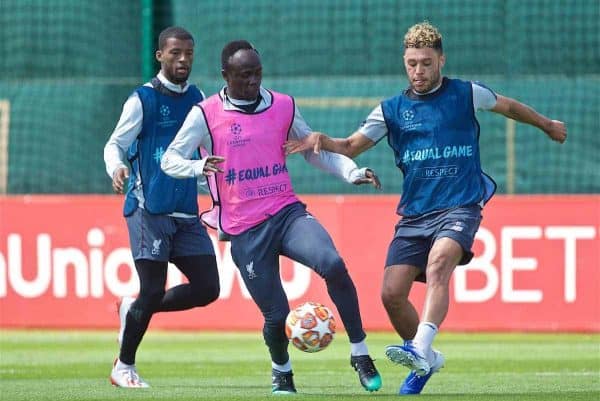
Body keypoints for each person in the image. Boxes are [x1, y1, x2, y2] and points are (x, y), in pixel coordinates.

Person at [285, 21, 567, 395]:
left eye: (426, 63)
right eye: (412, 63)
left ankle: (418, 347)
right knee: (391, 294)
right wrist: (323, 140)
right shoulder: (390, 110)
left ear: (441, 60)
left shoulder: (466, 94)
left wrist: (547, 124)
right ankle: (427, 359)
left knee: (438, 265)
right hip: (416, 213)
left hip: (461, 204)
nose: (418, 71)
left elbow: (509, 107)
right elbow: (351, 145)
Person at [160, 40, 383, 394]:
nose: (253, 81)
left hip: (285, 212)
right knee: (276, 316)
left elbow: (312, 151)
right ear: (225, 75)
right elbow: (169, 160)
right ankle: (282, 371)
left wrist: (351, 172)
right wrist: (199, 165)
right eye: (244, 75)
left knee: (333, 262)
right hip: (244, 229)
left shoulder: (283, 106)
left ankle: (360, 353)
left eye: (257, 73)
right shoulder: (204, 114)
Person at [103, 26, 220, 388]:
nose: (183, 59)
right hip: (148, 209)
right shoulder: (142, 99)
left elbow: (201, 148)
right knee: (152, 289)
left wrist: (207, 177)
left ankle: (132, 309)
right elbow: (114, 144)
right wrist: (117, 166)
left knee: (207, 289)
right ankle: (124, 366)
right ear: (160, 56)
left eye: (188, 53)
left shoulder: (198, 96)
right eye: (175, 53)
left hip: (185, 212)